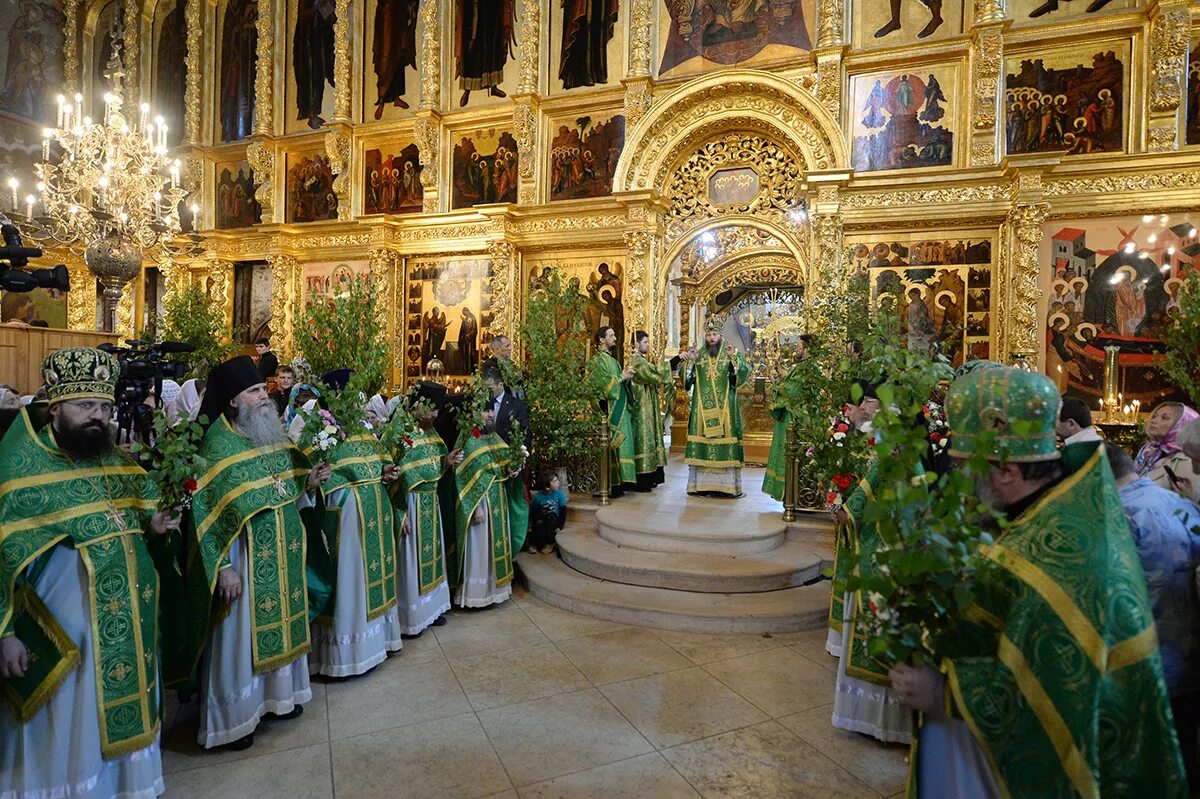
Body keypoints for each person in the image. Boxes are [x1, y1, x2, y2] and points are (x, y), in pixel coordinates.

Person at [892, 366, 1187, 797]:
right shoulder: (1049, 506)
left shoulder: (1063, 553)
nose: (957, 478)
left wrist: (946, 695)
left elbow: (1061, 692)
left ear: (1008, 471)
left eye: (964, 466)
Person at [0, 348, 180, 799]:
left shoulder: (109, 459)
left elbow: (138, 510)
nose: (97, 417)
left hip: (121, 629)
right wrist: (3, 633)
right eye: (85, 406)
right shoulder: (17, 468)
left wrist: (154, 522)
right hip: (63, 642)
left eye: (104, 406)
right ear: (54, 407)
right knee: (68, 728)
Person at [184, 355, 331, 751]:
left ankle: (281, 698)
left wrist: (308, 483)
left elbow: (283, 490)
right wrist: (224, 568)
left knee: (284, 620)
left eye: (262, 390)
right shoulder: (217, 446)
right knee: (239, 639)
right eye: (253, 392)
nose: (263, 399)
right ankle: (235, 719)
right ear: (232, 400)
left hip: (283, 555)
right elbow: (206, 516)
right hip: (244, 562)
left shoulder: (268, 435)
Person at [287, 391, 402, 678]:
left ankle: (375, 646)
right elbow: (309, 476)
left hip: (372, 520)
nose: (356, 408)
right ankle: (344, 656)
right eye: (349, 401)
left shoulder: (364, 435)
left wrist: (385, 471)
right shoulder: (319, 433)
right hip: (344, 524)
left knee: (366, 581)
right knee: (349, 584)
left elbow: (377, 465)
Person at [1107, 441, 1200, 791]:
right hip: (1189, 660)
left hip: (1142, 663)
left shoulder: (1115, 513)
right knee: (1186, 760)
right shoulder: (1180, 503)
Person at [827, 380, 912, 745]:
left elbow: (857, 504)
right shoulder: (913, 454)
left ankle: (871, 718)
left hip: (877, 552)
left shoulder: (886, 456)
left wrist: (839, 511)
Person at [386, 382, 461, 635]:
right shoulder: (398, 432)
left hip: (430, 503)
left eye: (437, 411)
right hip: (410, 506)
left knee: (432, 558)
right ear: (418, 406)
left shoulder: (430, 432)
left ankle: (432, 610)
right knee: (411, 561)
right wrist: (399, 512)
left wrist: (447, 462)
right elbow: (388, 475)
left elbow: (433, 466)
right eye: (431, 410)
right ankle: (412, 617)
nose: (435, 416)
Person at [451, 410, 515, 608]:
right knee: (480, 547)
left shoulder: (494, 437)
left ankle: (495, 592)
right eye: (485, 411)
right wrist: (476, 506)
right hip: (480, 502)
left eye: (491, 411)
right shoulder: (469, 441)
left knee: (493, 546)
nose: (490, 415)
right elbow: (463, 478)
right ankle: (476, 596)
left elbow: (505, 463)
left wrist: (513, 468)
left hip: (497, 499)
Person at [679, 321, 750, 497]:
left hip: (725, 409)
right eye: (709, 335)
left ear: (720, 336)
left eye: (714, 335)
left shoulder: (730, 352)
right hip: (702, 409)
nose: (711, 338)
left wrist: (734, 359)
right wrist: (689, 363)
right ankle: (700, 486)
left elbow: (740, 378)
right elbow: (687, 382)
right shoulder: (699, 354)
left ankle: (727, 487)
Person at [587, 326, 636, 495]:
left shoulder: (613, 360)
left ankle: (617, 483)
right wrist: (622, 377)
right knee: (607, 446)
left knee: (617, 446)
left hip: (618, 408)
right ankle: (607, 485)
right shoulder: (597, 360)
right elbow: (603, 386)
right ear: (601, 339)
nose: (615, 338)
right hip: (607, 410)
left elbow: (620, 383)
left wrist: (627, 378)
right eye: (611, 335)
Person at [763, 336, 812, 502]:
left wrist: (778, 382)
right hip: (790, 415)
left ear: (808, 348)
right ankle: (787, 494)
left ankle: (791, 493)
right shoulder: (802, 365)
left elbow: (793, 390)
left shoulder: (808, 367)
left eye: (799, 346)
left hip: (796, 417)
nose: (796, 349)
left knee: (789, 454)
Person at [626, 330, 671, 492]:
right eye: (645, 342)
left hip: (647, 405)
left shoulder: (640, 359)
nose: (648, 345)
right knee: (644, 440)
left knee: (650, 438)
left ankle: (650, 477)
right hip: (640, 409)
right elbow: (655, 374)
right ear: (636, 344)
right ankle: (642, 479)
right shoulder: (636, 361)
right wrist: (677, 360)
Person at [1135, 401, 1200, 501]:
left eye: (1164, 418)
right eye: (1154, 416)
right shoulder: (1148, 450)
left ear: (1181, 424)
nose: (1154, 421)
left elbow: (1190, 504)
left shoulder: (1188, 458)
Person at [528, 470, 568, 554]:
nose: (558, 482)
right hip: (543, 518)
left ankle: (550, 543)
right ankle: (534, 544)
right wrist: (533, 523)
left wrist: (560, 526)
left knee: (549, 517)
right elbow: (535, 511)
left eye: (557, 480)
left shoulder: (559, 494)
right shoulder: (538, 497)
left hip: (554, 520)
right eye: (555, 481)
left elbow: (563, 511)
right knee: (539, 525)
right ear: (547, 487)